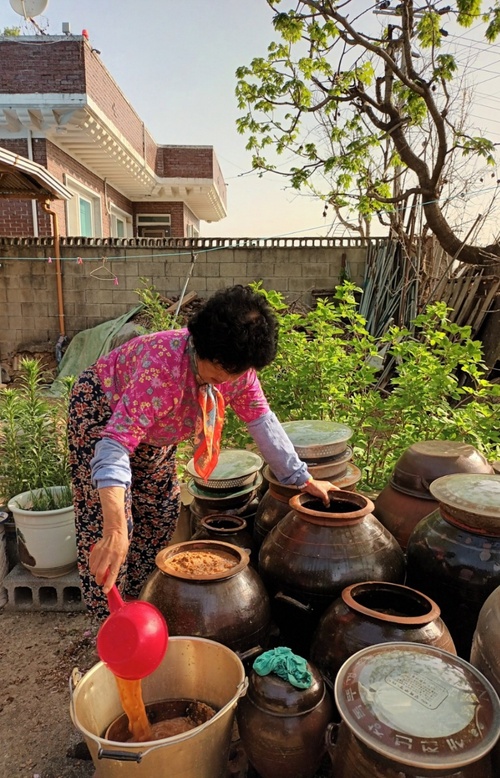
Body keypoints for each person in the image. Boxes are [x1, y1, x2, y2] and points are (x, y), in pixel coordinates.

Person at [68, 285, 339, 621]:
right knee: (109, 528)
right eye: (219, 370)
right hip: (103, 411)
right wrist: (115, 530)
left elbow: (261, 420)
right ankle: (109, 624)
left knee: (160, 514)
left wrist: (302, 478)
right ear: (199, 344)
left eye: (235, 373)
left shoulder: (237, 370)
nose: (226, 380)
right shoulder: (163, 369)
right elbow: (115, 445)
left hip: (154, 432)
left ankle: (136, 607)